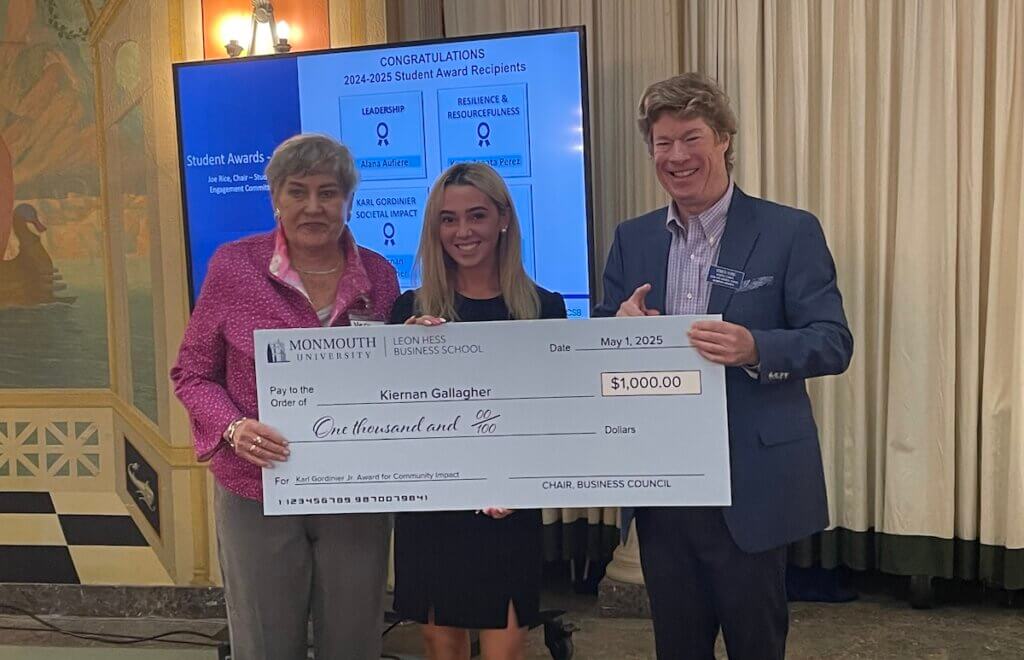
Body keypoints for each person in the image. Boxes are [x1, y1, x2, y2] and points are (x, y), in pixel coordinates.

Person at [594, 73, 853, 659]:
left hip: (750, 486)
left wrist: (755, 348)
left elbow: (833, 342)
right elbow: (603, 349)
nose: (678, 156)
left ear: (725, 139)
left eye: (692, 137)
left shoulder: (789, 231)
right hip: (663, 488)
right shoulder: (631, 238)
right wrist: (618, 334)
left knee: (756, 646)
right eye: (663, 143)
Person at [171, 133, 398, 660]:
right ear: (276, 198)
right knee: (266, 642)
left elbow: (394, 377)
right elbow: (193, 374)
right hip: (257, 489)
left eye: (329, 192)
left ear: (348, 199)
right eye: (297, 191)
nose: (313, 207)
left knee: (354, 640)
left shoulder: (380, 276)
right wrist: (233, 428)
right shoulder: (234, 267)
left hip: (355, 489)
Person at [390, 162, 566, 660]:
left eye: (477, 216)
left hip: (507, 507)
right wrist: (401, 360)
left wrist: (521, 481)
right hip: (433, 506)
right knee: (439, 643)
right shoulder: (410, 310)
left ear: (503, 220)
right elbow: (394, 420)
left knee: (504, 646)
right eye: (448, 219)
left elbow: (551, 413)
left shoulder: (543, 309)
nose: (463, 232)